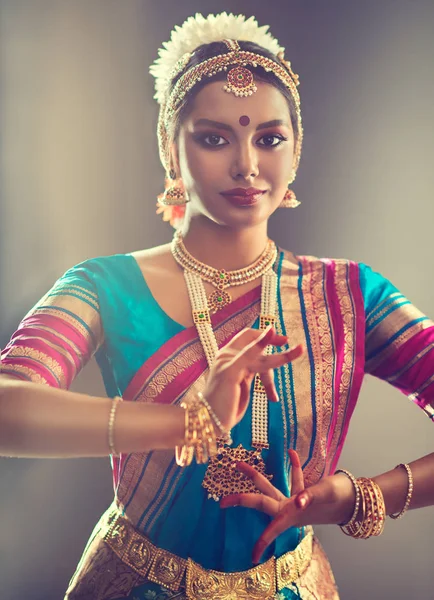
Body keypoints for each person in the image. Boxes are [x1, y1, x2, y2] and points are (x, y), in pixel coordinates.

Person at [1, 11, 433, 600]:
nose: (247, 165)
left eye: (269, 139)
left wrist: (374, 494)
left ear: (297, 152)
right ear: (170, 150)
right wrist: (186, 421)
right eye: (213, 138)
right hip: (136, 584)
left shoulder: (350, 296)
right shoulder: (104, 286)